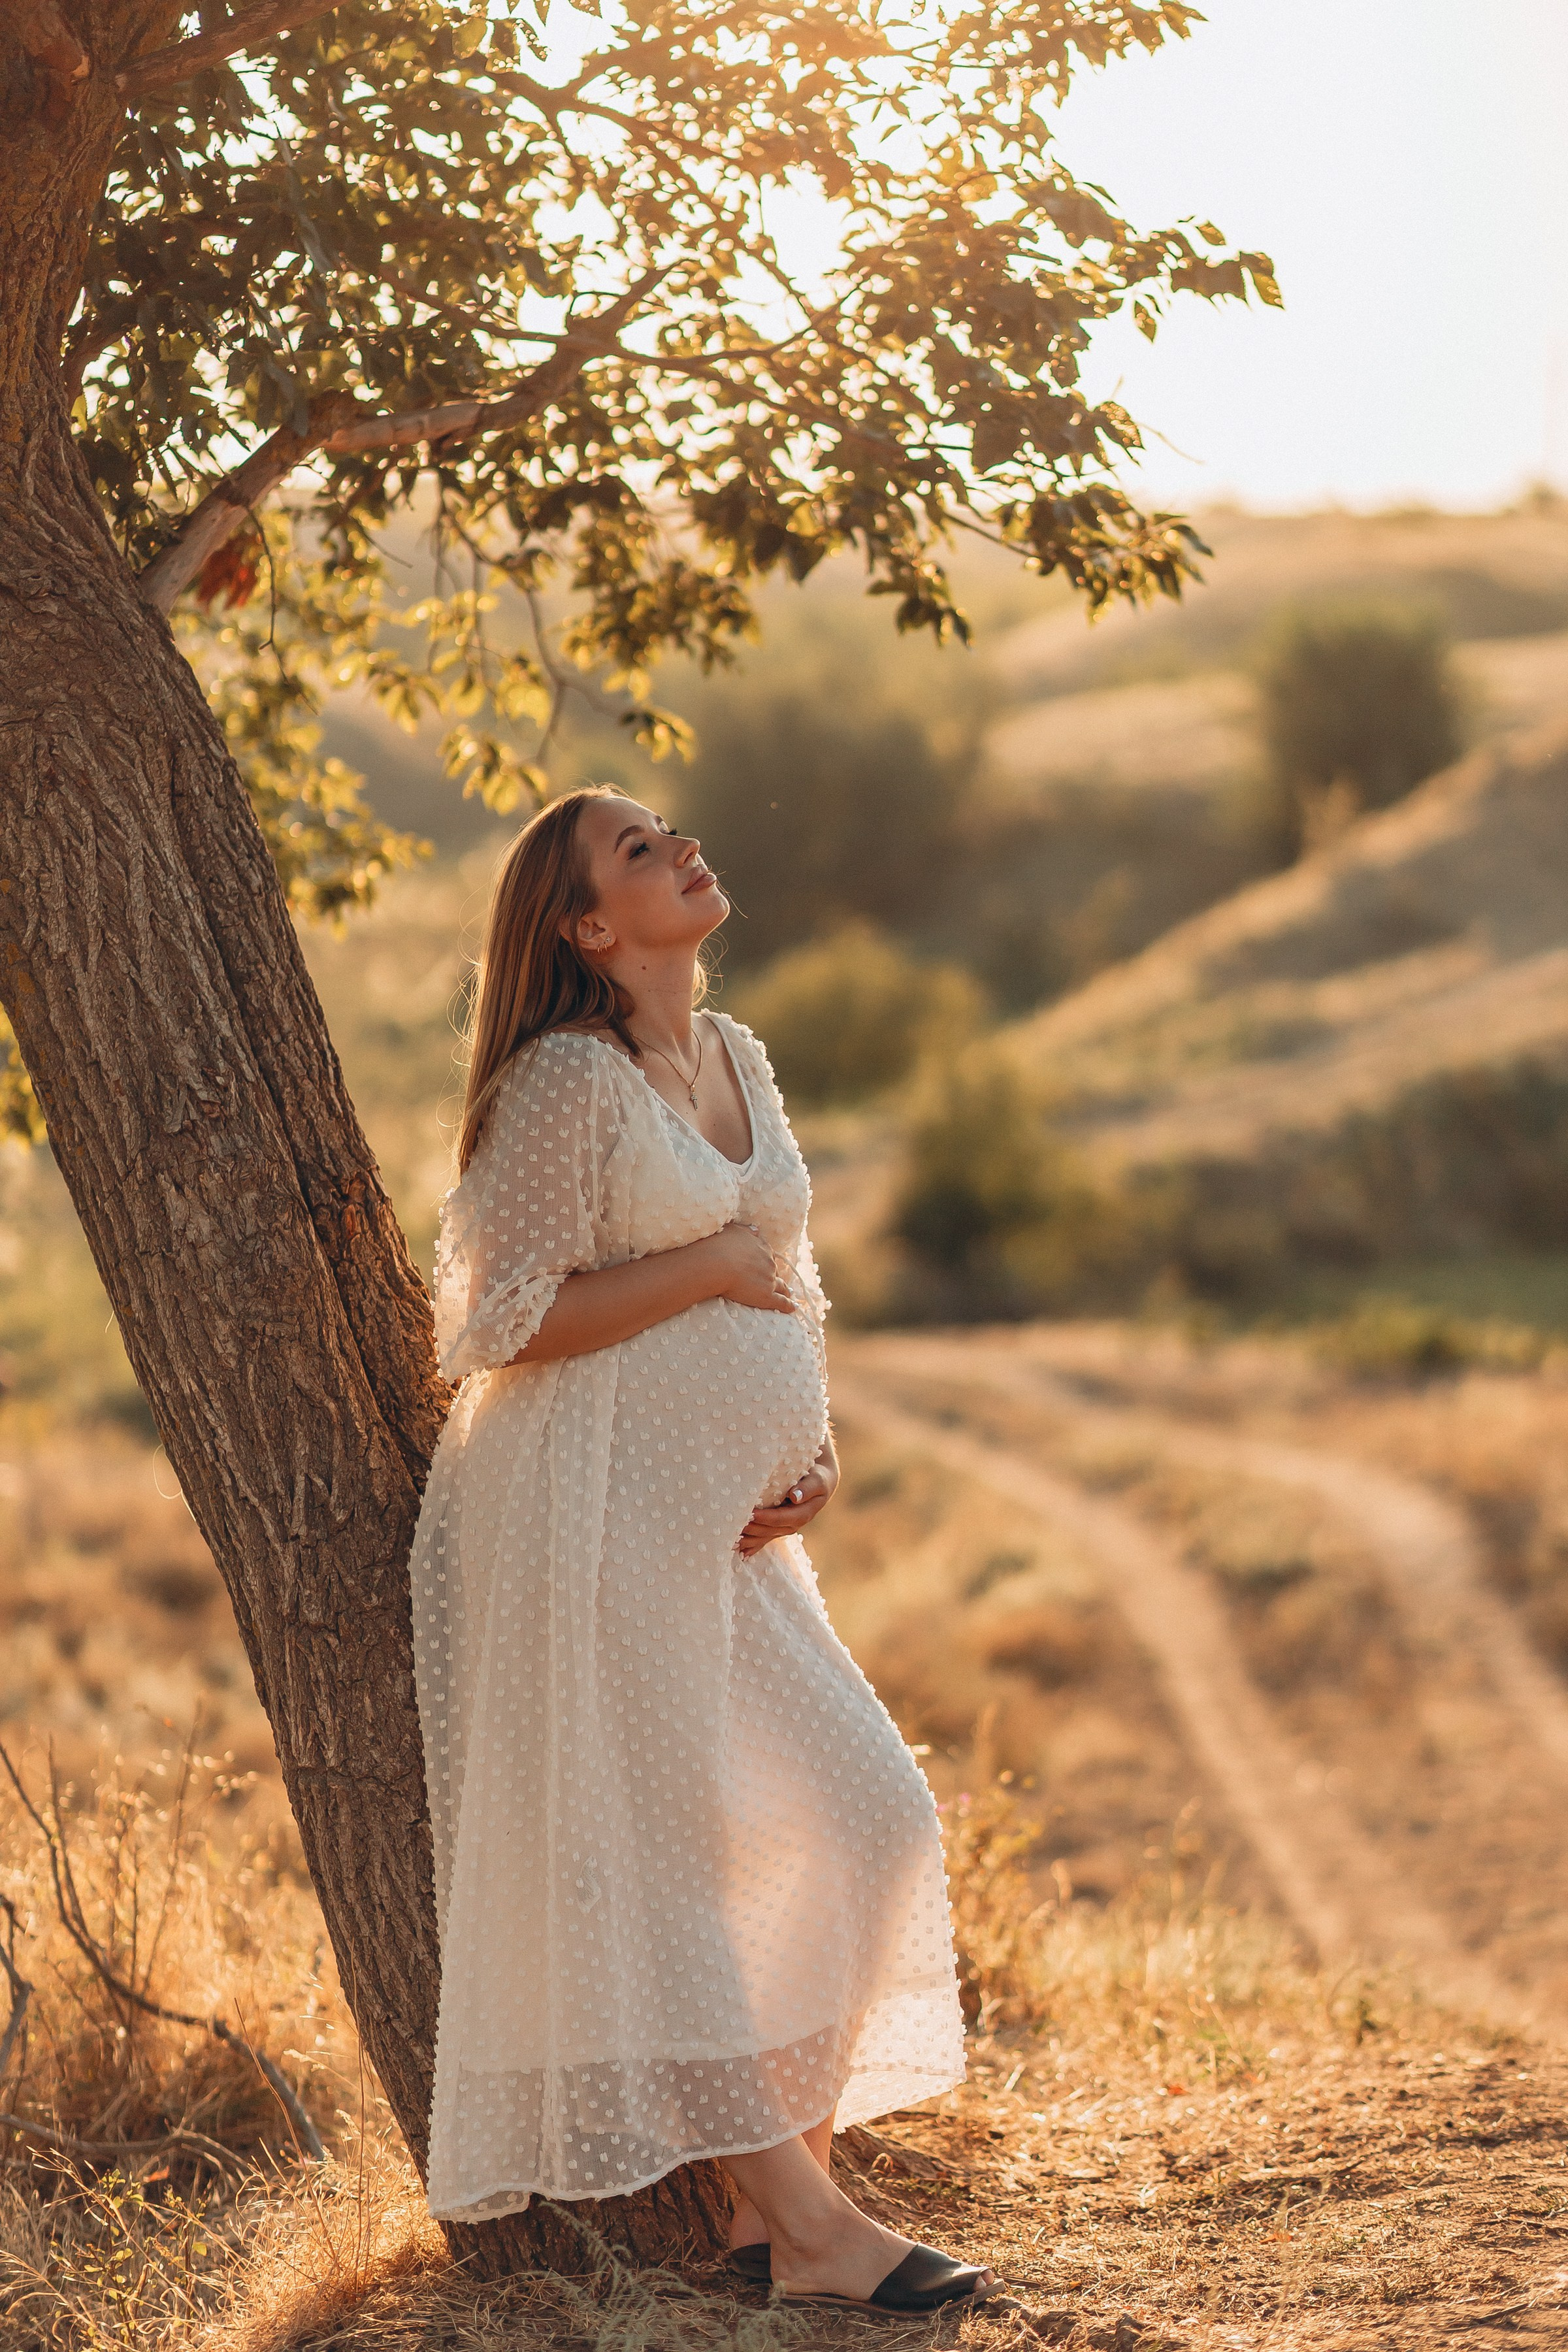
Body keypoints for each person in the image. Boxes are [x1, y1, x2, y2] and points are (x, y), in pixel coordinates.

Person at [408, 786, 991, 2315]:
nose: (678, 850)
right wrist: (710, 1264)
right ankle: (809, 2225)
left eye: (668, 830)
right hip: (591, 1517)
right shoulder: (564, 1082)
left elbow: (788, 1275)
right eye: (637, 851)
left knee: (870, 1815)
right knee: (662, 1860)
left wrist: (811, 1449)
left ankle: (767, 2208)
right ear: (589, 929)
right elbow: (499, 1323)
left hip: (733, 1535)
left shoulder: (738, 1055)